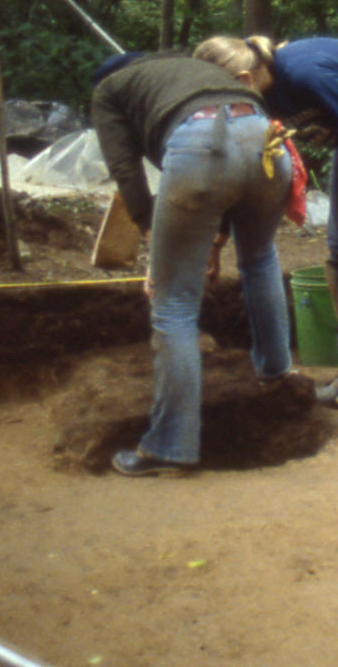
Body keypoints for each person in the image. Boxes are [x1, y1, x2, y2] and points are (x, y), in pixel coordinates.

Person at [195, 34, 338, 409]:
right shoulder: (254, 95)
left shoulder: (305, 72)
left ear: (243, 78)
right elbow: (237, 166)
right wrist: (218, 239)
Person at [91, 51, 294, 476]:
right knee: (259, 257)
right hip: (267, 140)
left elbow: (125, 169)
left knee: (173, 303)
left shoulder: (108, 91)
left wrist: (150, 231)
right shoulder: (187, 69)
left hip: (200, 149)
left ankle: (170, 444)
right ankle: (275, 372)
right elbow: (231, 168)